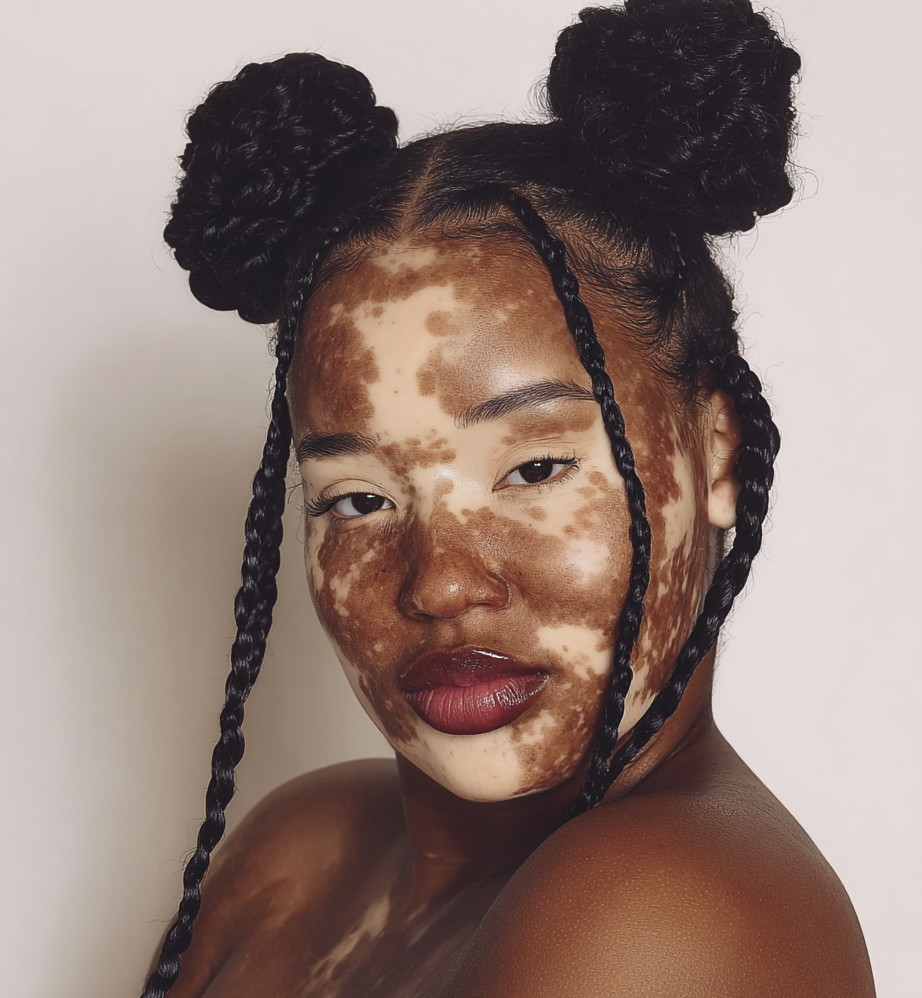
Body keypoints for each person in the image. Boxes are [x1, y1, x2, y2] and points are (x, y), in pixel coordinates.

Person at [143, 2, 876, 995]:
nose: (440, 581)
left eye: (533, 470)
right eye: (357, 498)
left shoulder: (660, 909)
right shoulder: (293, 851)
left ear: (716, 453)